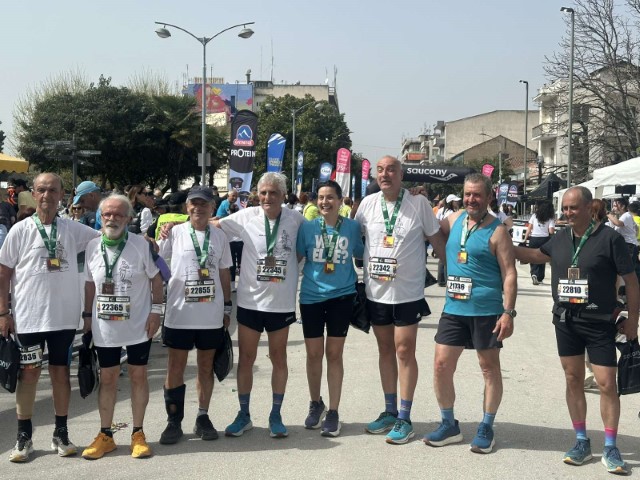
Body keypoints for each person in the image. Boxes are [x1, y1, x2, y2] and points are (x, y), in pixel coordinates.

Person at [515, 186, 639, 475]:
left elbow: (632, 282)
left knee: (607, 383)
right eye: (565, 208)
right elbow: (536, 255)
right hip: (566, 321)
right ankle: (581, 441)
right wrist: (500, 243)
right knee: (573, 379)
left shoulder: (610, 238)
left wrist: (633, 320)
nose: (568, 213)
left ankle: (610, 446)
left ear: (588, 208)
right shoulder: (560, 237)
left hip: (599, 322)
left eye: (573, 208)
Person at [0, 173, 100, 463]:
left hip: (63, 319)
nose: (47, 195)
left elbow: (108, 237)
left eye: (53, 190)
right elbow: (3, 273)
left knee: (60, 374)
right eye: (42, 190)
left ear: (62, 195)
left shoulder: (73, 229)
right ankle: (24, 436)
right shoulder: (20, 230)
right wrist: (3, 312)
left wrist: (151, 237)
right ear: (33, 193)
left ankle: (61, 433)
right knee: (28, 374)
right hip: (29, 318)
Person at [423, 173, 517, 454]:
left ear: (489, 197)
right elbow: (427, 228)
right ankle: (449, 424)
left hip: (486, 309)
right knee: (441, 365)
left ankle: (486, 426)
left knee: (489, 368)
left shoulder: (498, 231)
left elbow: (509, 274)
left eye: (477, 195)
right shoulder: (453, 220)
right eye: (467, 194)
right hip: (454, 308)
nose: (471, 199)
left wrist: (508, 312)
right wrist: (416, 200)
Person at [354, 155, 445, 445]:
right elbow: (352, 239)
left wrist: (456, 272)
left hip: (407, 293)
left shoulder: (419, 203)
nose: (385, 174)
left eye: (391, 170)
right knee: (384, 350)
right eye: (380, 170)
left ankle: (405, 418)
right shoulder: (367, 204)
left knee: (404, 351)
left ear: (401, 175)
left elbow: (437, 241)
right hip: (376, 293)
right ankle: (390, 410)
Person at [217, 172, 304, 439]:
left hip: (281, 303)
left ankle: (276, 414)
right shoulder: (247, 216)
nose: (267, 197)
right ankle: (244, 414)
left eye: (273, 193)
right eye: (263, 193)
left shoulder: (296, 220)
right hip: (250, 302)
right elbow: (213, 224)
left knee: (278, 358)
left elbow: (318, 234)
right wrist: (174, 225)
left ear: (283, 195)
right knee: (246, 359)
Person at [81, 195, 163, 460]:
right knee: (108, 377)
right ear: (100, 217)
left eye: (118, 214)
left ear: (128, 218)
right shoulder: (93, 246)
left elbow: (157, 279)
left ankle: (138, 433)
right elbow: (90, 283)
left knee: (138, 375)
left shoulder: (140, 245)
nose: (112, 219)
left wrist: (156, 311)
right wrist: (86, 316)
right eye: (107, 214)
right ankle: (105, 435)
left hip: (138, 324)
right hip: (105, 326)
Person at [157, 186, 232, 445]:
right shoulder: (174, 233)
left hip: (210, 314)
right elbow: (157, 261)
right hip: (180, 313)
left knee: (205, 366)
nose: (198, 208)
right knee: (175, 367)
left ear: (212, 207)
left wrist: (227, 307)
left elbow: (224, 272)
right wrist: (168, 283)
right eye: (194, 203)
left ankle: (202, 416)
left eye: (204, 204)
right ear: (186, 207)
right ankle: (173, 421)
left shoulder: (220, 237)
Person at [296, 180, 364, 437]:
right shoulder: (307, 227)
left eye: (330, 197)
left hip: (342, 297)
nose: (325, 202)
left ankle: (333, 411)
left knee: (334, 354)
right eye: (321, 198)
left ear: (340, 199)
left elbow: (362, 253)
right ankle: (316, 403)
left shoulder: (353, 227)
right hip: (311, 297)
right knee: (314, 354)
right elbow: (297, 258)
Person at [523, 200, 555, 285]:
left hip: (534, 239)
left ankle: (534, 273)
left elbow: (529, 228)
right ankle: (540, 277)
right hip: (544, 239)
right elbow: (551, 231)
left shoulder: (534, 216)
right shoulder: (550, 218)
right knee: (542, 258)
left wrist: (525, 238)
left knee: (533, 256)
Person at [435, 194, 461, 286]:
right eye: (455, 201)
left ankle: (441, 280)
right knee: (448, 259)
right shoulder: (452, 213)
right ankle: (447, 280)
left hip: (441, 235)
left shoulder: (441, 210)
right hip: (449, 236)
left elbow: (436, 222)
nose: (457, 202)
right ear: (451, 202)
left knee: (442, 258)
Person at [607, 197, 638, 268]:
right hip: (626, 244)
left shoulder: (626, 215)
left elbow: (618, 223)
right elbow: (613, 227)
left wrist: (608, 213)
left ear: (623, 206)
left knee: (626, 268)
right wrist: (612, 217)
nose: (613, 208)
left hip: (629, 245)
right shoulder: (623, 216)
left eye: (615, 206)